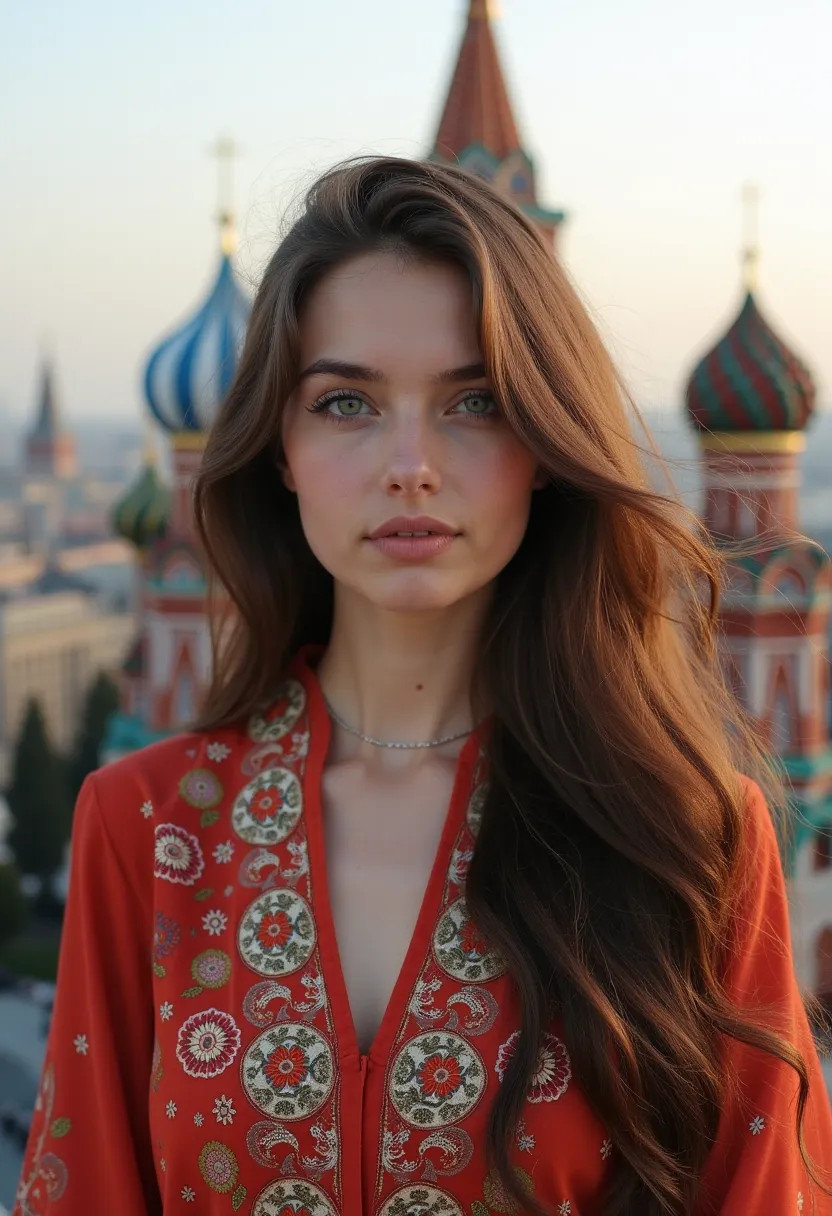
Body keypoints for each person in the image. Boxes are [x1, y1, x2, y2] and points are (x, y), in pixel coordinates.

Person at [13, 156, 832, 1216]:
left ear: (544, 444)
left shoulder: (688, 839)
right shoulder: (150, 828)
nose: (411, 463)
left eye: (474, 401)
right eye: (347, 401)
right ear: (281, 450)